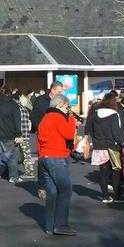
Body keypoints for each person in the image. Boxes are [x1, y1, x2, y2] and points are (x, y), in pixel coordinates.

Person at [37, 94, 78, 235]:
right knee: (65, 190)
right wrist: (72, 119)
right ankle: (60, 225)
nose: (68, 110)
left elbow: (40, 141)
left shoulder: (45, 118)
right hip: (57, 157)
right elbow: (69, 134)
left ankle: (49, 225)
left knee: (53, 192)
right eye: (67, 107)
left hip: (45, 157)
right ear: (60, 105)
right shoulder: (57, 117)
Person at [87, 95, 124, 203]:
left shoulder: (94, 114)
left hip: (99, 146)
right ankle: (116, 196)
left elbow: (90, 129)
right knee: (116, 170)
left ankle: (105, 196)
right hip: (112, 146)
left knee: (103, 172)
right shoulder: (114, 115)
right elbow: (116, 133)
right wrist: (121, 143)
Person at [16, 92, 35, 180]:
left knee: (11, 153)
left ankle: (9, 171)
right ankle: (29, 170)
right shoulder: (25, 109)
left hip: (19, 134)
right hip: (26, 134)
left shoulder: (17, 109)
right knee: (26, 153)